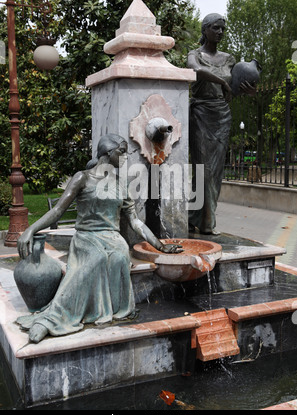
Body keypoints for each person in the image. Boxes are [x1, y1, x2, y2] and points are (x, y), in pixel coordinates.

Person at [16, 134, 182, 343]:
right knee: (96, 259)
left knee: (120, 257)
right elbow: (58, 210)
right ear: (107, 153)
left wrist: (159, 245)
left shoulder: (122, 183)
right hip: (87, 236)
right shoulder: (82, 177)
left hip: (112, 237)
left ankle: (113, 310)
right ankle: (53, 317)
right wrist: (31, 229)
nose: (125, 157)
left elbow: (135, 222)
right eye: (122, 152)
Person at [188, 13, 255, 235]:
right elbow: (196, 71)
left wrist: (246, 91)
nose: (220, 32)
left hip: (222, 115)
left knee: (216, 172)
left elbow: (232, 90)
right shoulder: (194, 54)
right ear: (205, 29)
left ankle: (197, 216)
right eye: (216, 28)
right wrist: (222, 83)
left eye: (223, 29)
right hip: (200, 113)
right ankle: (205, 221)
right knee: (202, 170)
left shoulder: (229, 59)